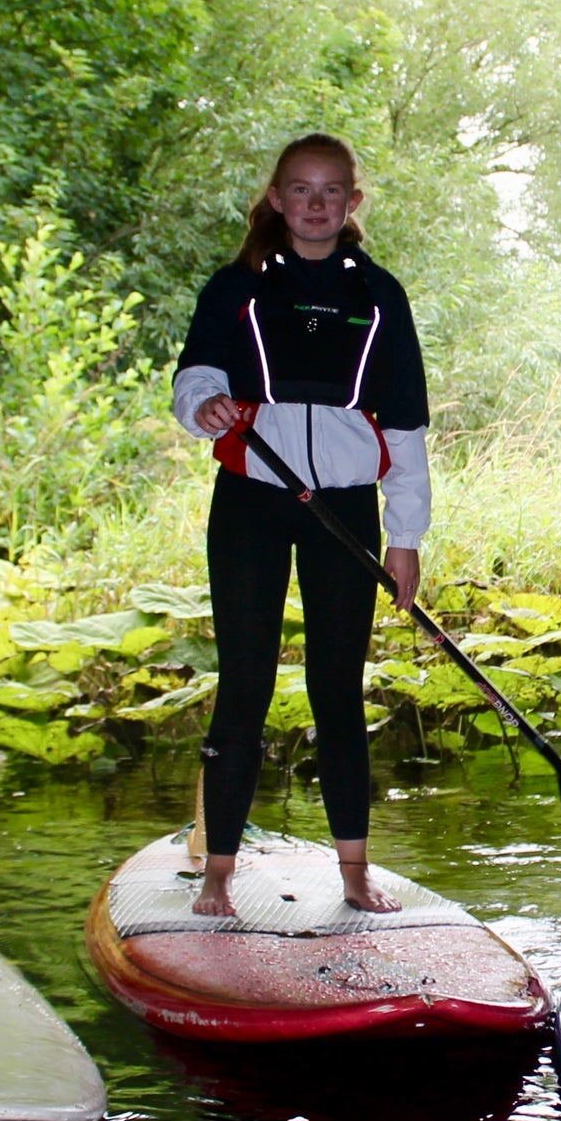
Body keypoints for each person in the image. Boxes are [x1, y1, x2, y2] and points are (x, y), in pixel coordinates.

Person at [173, 134, 431, 918]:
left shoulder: (380, 293)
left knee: (336, 690)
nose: (316, 204)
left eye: (331, 192)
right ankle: (219, 871)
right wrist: (205, 406)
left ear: (352, 203)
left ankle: (354, 871)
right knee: (244, 686)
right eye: (300, 190)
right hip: (253, 499)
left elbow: (410, 425)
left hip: (343, 508)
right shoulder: (237, 286)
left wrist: (406, 537)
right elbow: (196, 376)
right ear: (278, 199)